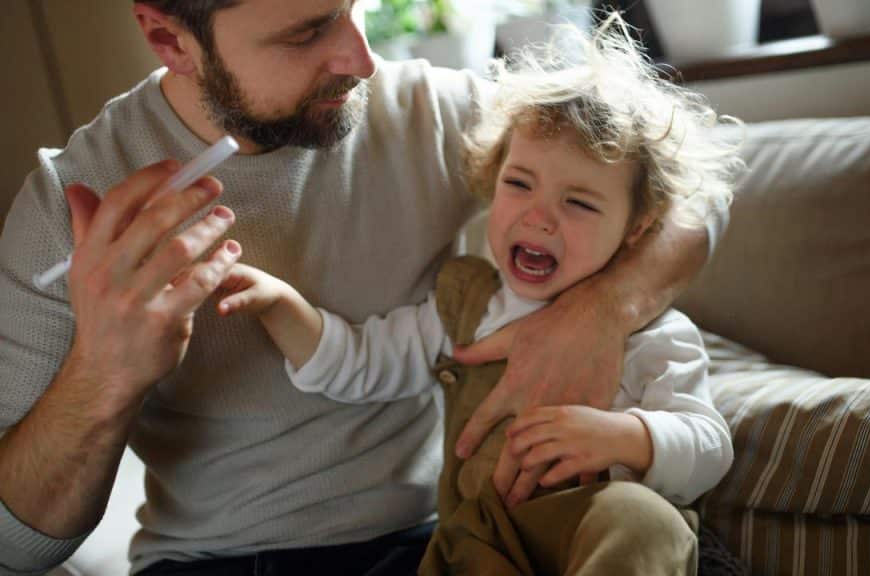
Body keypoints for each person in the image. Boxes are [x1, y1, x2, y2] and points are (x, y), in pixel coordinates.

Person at [0, 1, 730, 575]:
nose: (362, 58)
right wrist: (104, 372)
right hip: (216, 561)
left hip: (433, 541)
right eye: (307, 31)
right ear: (170, 39)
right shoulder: (71, 207)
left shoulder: (433, 113)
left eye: (355, 7)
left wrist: (599, 312)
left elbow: (696, 203)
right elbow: (16, 546)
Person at [212, 14, 740, 575]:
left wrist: (625, 437)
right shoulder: (468, 306)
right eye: (519, 184)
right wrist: (279, 304)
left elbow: (708, 446)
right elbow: (361, 362)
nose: (538, 217)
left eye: (579, 203)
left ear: (638, 228)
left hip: (595, 533)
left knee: (646, 521)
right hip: (480, 543)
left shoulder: (652, 332)